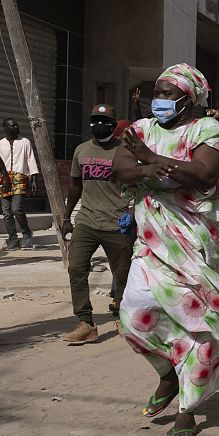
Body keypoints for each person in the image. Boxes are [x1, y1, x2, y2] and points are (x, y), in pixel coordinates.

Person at [113, 63, 219, 436]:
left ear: (190, 98)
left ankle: (187, 409)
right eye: (158, 92)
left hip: (194, 241)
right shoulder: (140, 130)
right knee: (133, 313)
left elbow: (203, 176)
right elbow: (120, 169)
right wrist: (164, 169)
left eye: (169, 94)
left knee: (195, 323)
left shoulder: (208, 131)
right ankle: (169, 374)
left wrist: (148, 161)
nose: (160, 100)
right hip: (151, 240)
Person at [58, 104, 135, 344]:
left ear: (113, 126)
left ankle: (125, 318)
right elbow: (75, 186)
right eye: (95, 120)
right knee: (76, 269)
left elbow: (137, 186)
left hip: (116, 223)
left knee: (123, 275)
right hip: (87, 221)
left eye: (104, 120)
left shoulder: (125, 151)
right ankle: (86, 323)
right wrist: (66, 217)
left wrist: (132, 213)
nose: (99, 124)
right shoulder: (81, 150)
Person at [0, 118, 40, 250]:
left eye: (16, 125)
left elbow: (31, 160)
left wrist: (34, 179)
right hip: (4, 180)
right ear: (5, 128)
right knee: (7, 213)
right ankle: (13, 239)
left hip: (20, 178)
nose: (16, 127)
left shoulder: (25, 142)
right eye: (12, 125)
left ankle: (26, 234)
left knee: (17, 209)